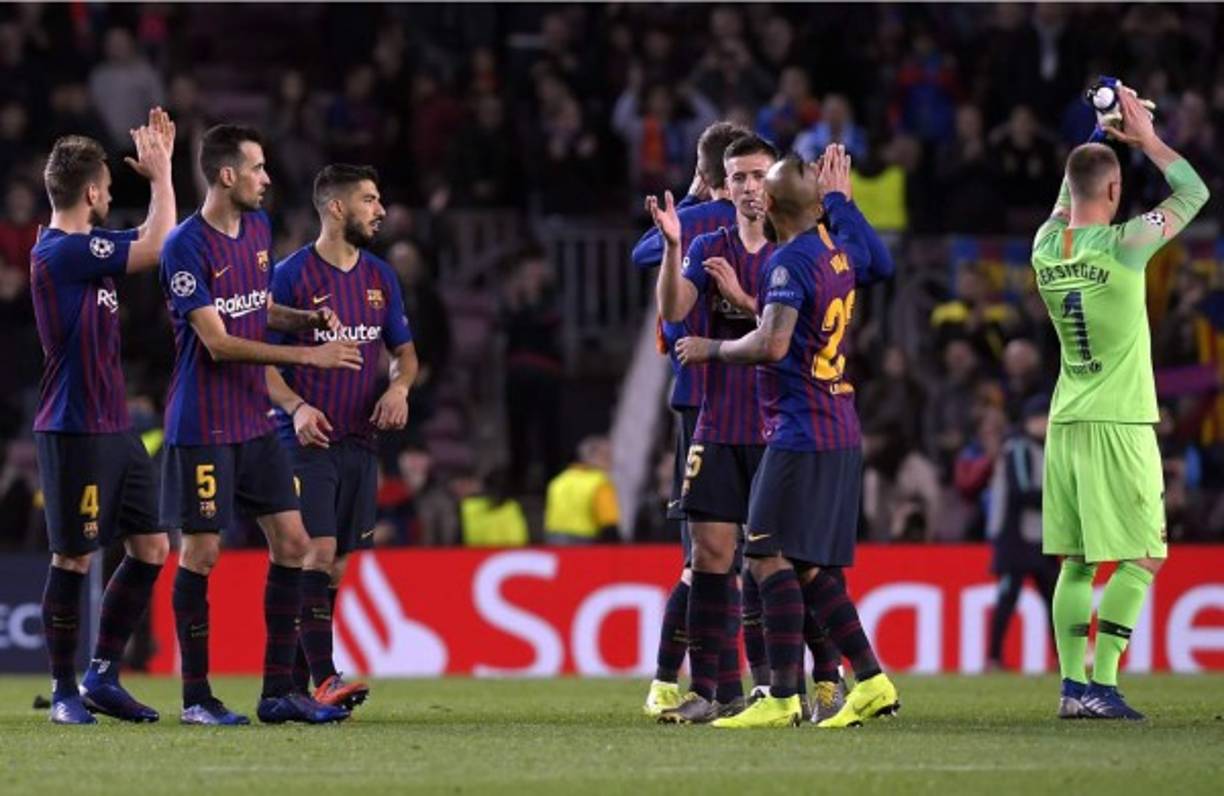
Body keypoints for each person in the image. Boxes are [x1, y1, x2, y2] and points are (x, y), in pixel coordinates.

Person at [676, 147, 899, 729]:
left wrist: (712, 348)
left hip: (800, 429)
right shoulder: (835, 251)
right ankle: (870, 679)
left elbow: (772, 345)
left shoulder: (786, 263)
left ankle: (780, 696)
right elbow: (879, 260)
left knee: (764, 553)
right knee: (806, 564)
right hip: (836, 421)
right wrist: (842, 206)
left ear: (769, 204)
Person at [158, 124, 364, 726]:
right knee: (200, 555)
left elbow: (250, 306)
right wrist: (309, 357)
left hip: (253, 421)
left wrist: (299, 320)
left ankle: (278, 693)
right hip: (202, 424)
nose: (267, 179)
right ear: (227, 175)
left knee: (296, 545)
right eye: (257, 168)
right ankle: (197, 698)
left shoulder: (258, 230)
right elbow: (219, 342)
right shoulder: (183, 247)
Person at [1031, 87, 1209, 719]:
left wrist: (1103, 131)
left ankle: (1072, 689)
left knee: (1077, 562)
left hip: (1066, 419)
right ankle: (1102, 685)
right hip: (1119, 421)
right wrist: (1147, 139)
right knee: (1144, 555)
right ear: (1114, 194)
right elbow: (1194, 194)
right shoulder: (1127, 246)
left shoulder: (1045, 248)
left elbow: (1068, 194)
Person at [31, 111, 177, 724]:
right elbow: (158, 241)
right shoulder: (61, 252)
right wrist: (165, 175)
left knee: (150, 546)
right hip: (73, 427)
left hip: (115, 426)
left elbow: (145, 237)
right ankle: (64, 689)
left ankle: (102, 674)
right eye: (109, 188)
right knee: (75, 558)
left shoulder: (83, 252)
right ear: (91, 192)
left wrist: (156, 187)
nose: (112, 196)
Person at [265, 164, 418, 711]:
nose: (380, 210)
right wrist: (297, 405)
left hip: (361, 439)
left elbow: (405, 354)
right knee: (317, 548)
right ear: (336, 208)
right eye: (370, 200)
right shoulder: (289, 277)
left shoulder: (380, 276)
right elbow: (259, 363)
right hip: (304, 439)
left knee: (338, 563)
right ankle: (325, 679)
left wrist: (399, 390)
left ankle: (294, 690)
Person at [650, 133, 779, 723]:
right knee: (709, 552)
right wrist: (675, 247)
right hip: (717, 420)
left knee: (776, 560)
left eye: (758, 176)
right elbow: (675, 310)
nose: (748, 187)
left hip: (779, 425)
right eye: (738, 178)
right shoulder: (707, 242)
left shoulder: (794, 250)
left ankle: (795, 687)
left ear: (774, 182)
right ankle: (711, 691)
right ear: (724, 187)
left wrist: (738, 297)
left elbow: (793, 337)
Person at [631, 121, 744, 718]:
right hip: (703, 397)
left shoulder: (758, 228)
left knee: (733, 553)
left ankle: (713, 678)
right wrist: (701, 208)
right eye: (740, 177)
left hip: (749, 399)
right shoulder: (704, 226)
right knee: (704, 554)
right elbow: (647, 249)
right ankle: (676, 678)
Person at [986, 395, 1059, 669]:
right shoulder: (1018, 447)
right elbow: (1021, 491)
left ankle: (1062, 658)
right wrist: (1058, 498)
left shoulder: (1040, 448)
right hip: (1015, 536)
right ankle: (993, 657)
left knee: (1052, 596)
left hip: (1039, 536)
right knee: (1009, 597)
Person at [543, 436, 619, 545]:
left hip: (554, 543)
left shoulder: (558, 481)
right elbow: (609, 522)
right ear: (594, 457)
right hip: (585, 543)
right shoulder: (600, 483)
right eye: (607, 456)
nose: (611, 461)